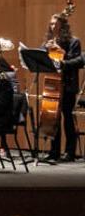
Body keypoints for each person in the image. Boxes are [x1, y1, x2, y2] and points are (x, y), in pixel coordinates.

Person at [43, 12, 80, 161]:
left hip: (68, 84)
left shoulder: (73, 41)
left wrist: (61, 52)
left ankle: (70, 153)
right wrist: (45, 50)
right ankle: (54, 151)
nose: (52, 27)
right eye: (51, 24)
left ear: (63, 26)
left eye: (55, 24)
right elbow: (42, 59)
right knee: (53, 118)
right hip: (53, 83)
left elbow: (78, 61)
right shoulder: (50, 40)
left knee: (67, 118)